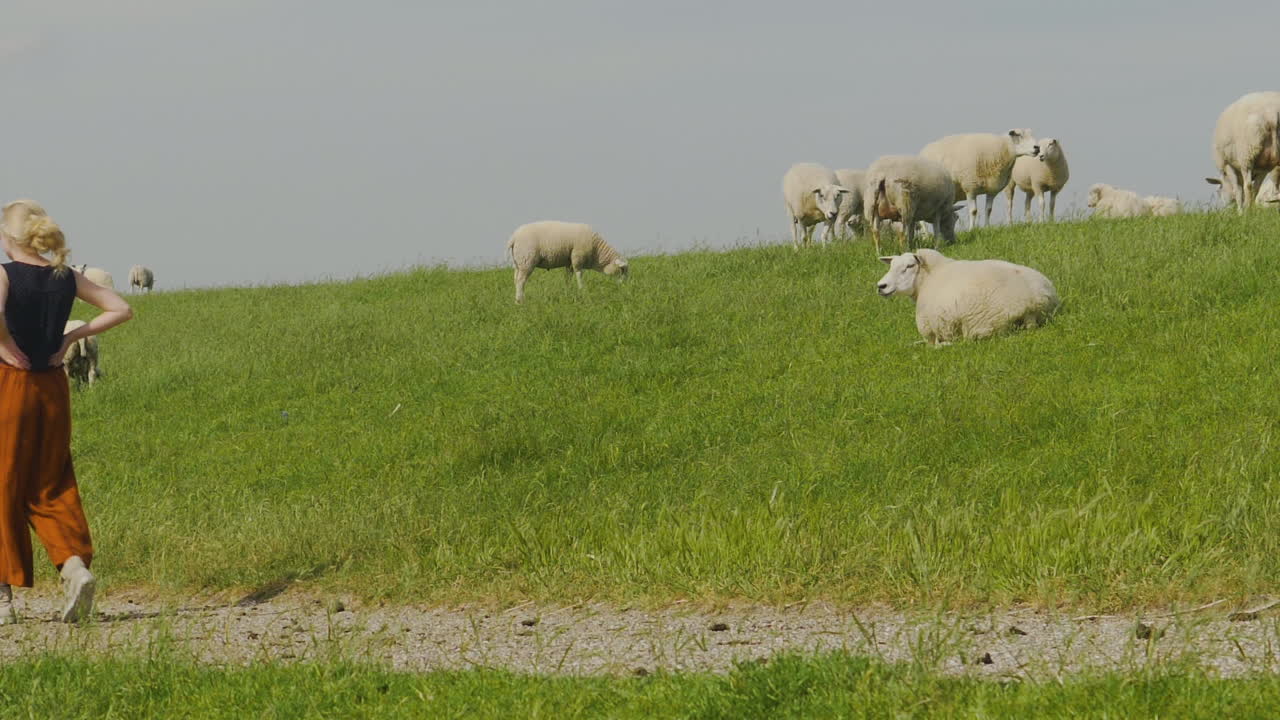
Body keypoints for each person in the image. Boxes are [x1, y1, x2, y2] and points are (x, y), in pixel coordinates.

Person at [0, 199, 132, 623]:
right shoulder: (65, 276)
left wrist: (5, 347)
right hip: (53, 388)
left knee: (3, 483)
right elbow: (121, 309)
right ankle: (74, 568)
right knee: (51, 482)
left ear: (8, 238)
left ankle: (2, 598)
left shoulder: (4, 274)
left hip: (9, 386)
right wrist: (69, 339)